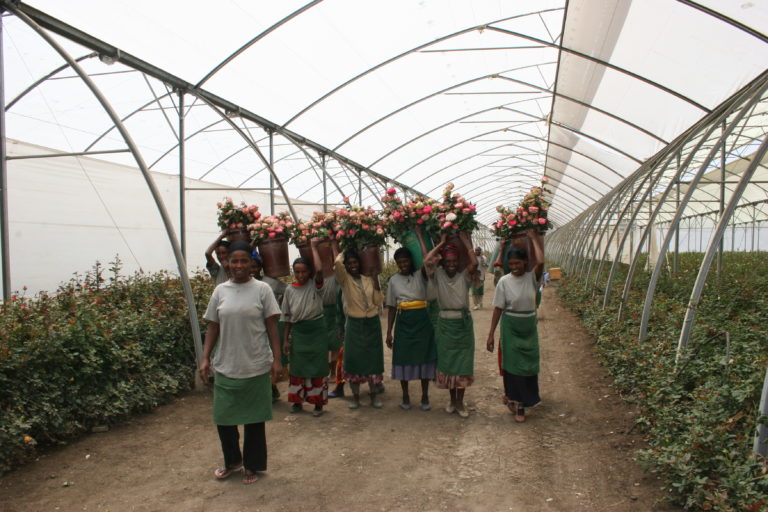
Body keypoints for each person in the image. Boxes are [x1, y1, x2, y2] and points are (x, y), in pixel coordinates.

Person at [199, 240, 282, 484]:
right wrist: (205, 358)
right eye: (233, 260)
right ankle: (232, 461)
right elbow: (213, 326)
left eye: (243, 260)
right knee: (224, 418)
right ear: (227, 263)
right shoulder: (220, 291)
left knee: (254, 420)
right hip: (226, 363)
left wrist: (277, 360)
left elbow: (272, 327)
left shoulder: (262, 290)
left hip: (255, 363)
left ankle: (252, 465)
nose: (238, 265)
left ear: (252, 264)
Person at [486, 229, 544, 423]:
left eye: (518, 263)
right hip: (510, 326)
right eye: (511, 264)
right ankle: (518, 404)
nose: (514, 267)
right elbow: (497, 309)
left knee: (528, 365)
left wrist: (534, 238)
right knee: (512, 367)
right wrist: (491, 334)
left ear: (525, 262)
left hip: (528, 325)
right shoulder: (504, 281)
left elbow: (541, 262)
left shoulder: (530, 278)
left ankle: (528, 398)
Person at [423, 232, 478, 418]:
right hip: (445, 325)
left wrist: (465, 241)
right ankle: (452, 400)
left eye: (454, 261)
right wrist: (442, 243)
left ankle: (460, 402)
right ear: (443, 263)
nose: (451, 265)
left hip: (462, 325)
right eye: (448, 262)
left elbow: (475, 264)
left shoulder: (464, 276)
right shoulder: (438, 275)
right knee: (448, 364)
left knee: (462, 365)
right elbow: (427, 260)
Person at [333, 240, 384, 409]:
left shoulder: (368, 278)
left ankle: (374, 397)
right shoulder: (345, 280)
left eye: (355, 262)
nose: (353, 266)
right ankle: (355, 398)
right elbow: (337, 263)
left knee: (373, 361)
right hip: (354, 325)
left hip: (372, 323)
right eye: (350, 263)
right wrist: (346, 248)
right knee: (353, 361)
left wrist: (376, 279)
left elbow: (377, 301)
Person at [282, 241, 331, 417]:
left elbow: (319, 270)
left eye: (304, 271)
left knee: (317, 368)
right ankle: (297, 402)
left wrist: (313, 247)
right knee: (297, 368)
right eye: (297, 272)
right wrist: (286, 340)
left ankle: (318, 404)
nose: (300, 275)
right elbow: (287, 316)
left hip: (316, 331)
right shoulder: (289, 290)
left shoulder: (315, 285)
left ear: (309, 272)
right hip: (299, 333)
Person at [385, 246, 436, 411]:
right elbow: (392, 307)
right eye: (399, 263)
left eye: (405, 261)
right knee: (402, 357)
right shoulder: (393, 280)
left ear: (411, 261)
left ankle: (425, 395)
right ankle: (405, 395)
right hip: (403, 321)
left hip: (422, 320)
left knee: (424, 356)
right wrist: (388, 332)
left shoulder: (420, 275)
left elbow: (427, 259)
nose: (403, 265)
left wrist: (418, 234)